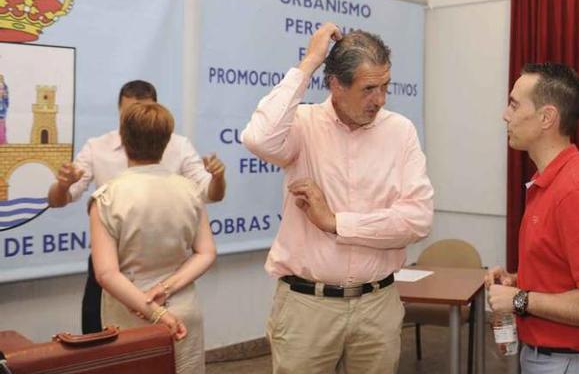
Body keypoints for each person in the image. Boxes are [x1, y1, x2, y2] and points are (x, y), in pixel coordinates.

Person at [242, 22, 433, 374]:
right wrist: (310, 60)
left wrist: (335, 222)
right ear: (335, 85)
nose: (380, 99)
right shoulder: (302, 124)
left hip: (378, 305)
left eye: (386, 86)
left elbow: (417, 219)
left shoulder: (400, 131)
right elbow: (258, 138)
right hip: (307, 307)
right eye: (369, 89)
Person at [47, 80, 226, 334]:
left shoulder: (180, 147)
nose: (140, 119)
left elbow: (208, 194)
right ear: (119, 112)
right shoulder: (98, 149)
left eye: (146, 112)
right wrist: (63, 185)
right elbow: (58, 200)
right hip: (110, 261)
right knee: (99, 342)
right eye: (131, 113)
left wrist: (218, 179)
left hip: (168, 265)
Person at [485, 63, 579, 374]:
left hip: (575, 363)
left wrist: (520, 299)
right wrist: (519, 281)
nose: (505, 115)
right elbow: (564, 277)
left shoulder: (576, 191)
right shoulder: (551, 182)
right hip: (560, 360)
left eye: (514, 104)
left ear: (547, 117)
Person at [90, 102, 215, 374]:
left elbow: (106, 274)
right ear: (167, 140)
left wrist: (154, 312)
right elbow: (206, 253)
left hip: (129, 316)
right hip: (183, 309)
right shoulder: (190, 191)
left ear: (123, 138)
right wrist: (166, 290)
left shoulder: (107, 197)